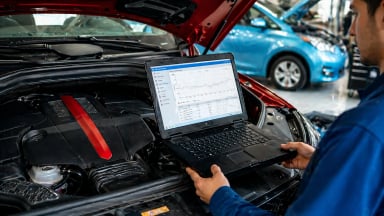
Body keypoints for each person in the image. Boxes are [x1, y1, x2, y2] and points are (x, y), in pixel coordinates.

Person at [186, 0, 384, 215]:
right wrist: (322, 161)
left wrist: (220, 197)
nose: (352, 30)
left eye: (355, 14)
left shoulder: (362, 129)